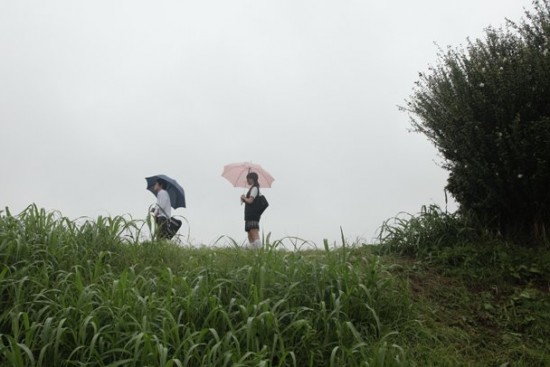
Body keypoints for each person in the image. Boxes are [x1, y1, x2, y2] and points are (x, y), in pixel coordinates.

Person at [240, 172, 262, 248]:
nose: (247, 181)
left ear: (251, 179)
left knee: (254, 232)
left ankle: (259, 251)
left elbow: (250, 201)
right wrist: (244, 199)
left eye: (248, 179)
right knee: (250, 234)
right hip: (249, 215)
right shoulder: (252, 188)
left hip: (253, 215)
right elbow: (248, 200)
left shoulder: (255, 188)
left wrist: (244, 198)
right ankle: (253, 253)